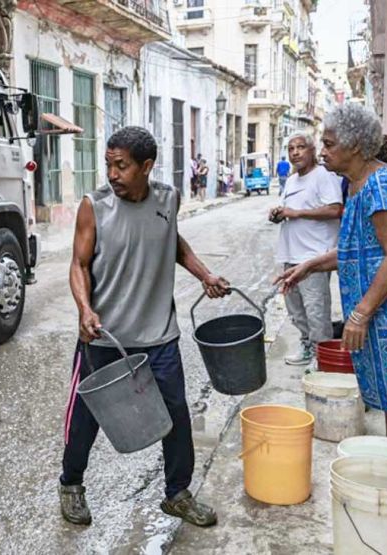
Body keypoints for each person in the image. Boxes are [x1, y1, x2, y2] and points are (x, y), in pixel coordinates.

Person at [60, 126, 231, 527]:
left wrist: (205, 274)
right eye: (108, 164)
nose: (112, 174)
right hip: (104, 336)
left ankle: (177, 493)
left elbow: (172, 241)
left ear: (146, 166)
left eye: (121, 166)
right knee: (85, 417)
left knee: (175, 413)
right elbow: (78, 264)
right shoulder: (94, 206)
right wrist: (85, 309)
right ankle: (71, 484)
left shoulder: (169, 198)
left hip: (159, 335)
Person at [275, 104, 387, 445]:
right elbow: (358, 250)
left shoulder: (382, 185)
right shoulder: (357, 184)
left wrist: (360, 314)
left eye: (329, 144)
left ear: (354, 146)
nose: (322, 152)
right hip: (384, 306)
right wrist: (310, 265)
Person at [268, 133, 344, 367]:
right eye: (291, 149)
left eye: (301, 147)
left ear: (312, 150)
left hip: (315, 256)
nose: (295, 152)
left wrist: (297, 213)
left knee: (316, 309)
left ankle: (322, 356)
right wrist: (279, 214)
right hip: (291, 253)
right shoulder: (292, 180)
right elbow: (290, 211)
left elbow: (335, 209)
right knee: (295, 309)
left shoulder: (324, 175)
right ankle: (307, 345)